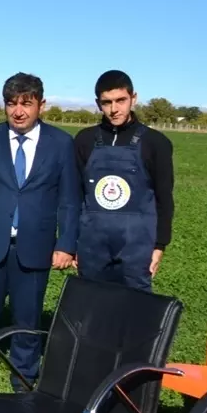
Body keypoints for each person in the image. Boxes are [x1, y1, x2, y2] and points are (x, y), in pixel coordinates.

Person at [0, 73, 80, 391]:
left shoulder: (61, 144)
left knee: (28, 319)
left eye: (26, 103)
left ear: (42, 104)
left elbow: (69, 199)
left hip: (35, 245)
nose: (19, 111)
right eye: (12, 104)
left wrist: (66, 243)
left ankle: (24, 375)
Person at [73, 70, 174, 291]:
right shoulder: (85, 140)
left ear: (133, 98)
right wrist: (73, 242)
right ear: (98, 104)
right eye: (107, 102)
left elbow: (164, 197)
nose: (114, 109)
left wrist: (160, 245)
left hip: (137, 245)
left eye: (121, 100)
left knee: (135, 309)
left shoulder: (156, 143)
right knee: (91, 306)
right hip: (92, 244)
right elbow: (75, 195)